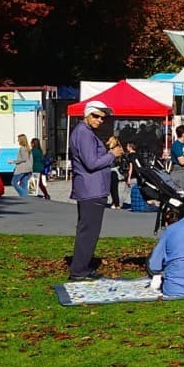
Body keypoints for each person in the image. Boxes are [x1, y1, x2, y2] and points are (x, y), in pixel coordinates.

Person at [68, 102, 124, 281]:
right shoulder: (84, 133)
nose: (100, 120)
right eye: (96, 116)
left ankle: (82, 267)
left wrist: (107, 151)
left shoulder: (85, 132)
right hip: (91, 189)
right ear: (87, 114)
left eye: (102, 117)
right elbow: (91, 163)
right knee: (89, 231)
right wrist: (112, 155)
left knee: (88, 231)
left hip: (92, 188)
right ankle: (79, 270)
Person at [170, 125, 184, 189]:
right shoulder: (177, 145)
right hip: (180, 172)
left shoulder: (182, 144)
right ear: (183, 134)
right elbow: (182, 162)